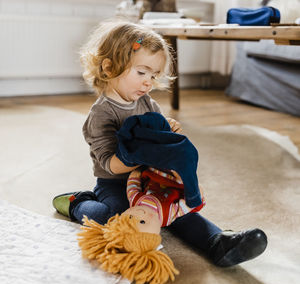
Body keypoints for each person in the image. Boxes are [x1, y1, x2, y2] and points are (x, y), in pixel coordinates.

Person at [53, 20, 267, 267]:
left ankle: (217, 241)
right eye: (141, 72)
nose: (148, 82)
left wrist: (168, 129)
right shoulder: (101, 115)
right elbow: (109, 165)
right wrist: (139, 154)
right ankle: (78, 204)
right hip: (114, 183)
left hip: (150, 178)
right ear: (110, 68)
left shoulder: (146, 102)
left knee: (177, 212)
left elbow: (158, 130)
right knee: (115, 216)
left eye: (153, 75)